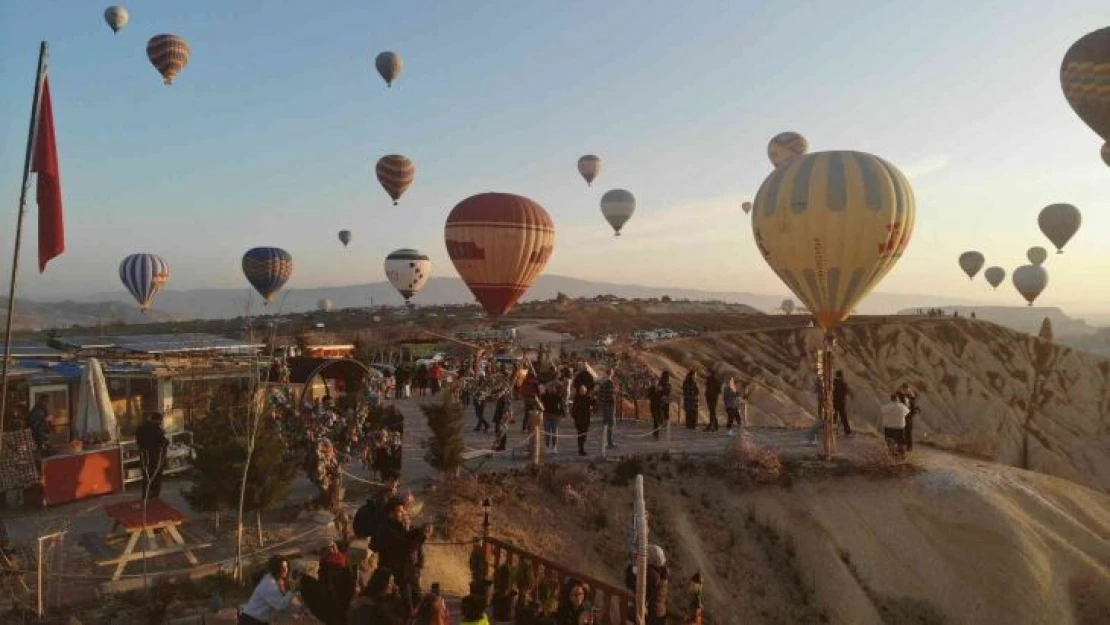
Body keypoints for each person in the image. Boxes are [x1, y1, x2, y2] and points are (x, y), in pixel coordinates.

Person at [376, 496, 433, 613]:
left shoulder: (397, 526)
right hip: (397, 577)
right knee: (406, 608)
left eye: (403, 511)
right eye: (400, 511)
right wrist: (422, 536)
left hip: (407, 574)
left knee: (416, 601)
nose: (403, 513)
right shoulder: (387, 529)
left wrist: (421, 531)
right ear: (391, 512)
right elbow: (406, 547)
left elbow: (407, 538)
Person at [240, 556, 301, 625]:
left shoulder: (276, 580)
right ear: (276, 569)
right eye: (283, 568)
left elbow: (285, 601)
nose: (286, 570)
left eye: (286, 567)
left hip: (258, 620)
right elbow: (281, 606)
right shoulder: (269, 585)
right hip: (252, 620)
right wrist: (292, 591)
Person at [135, 412, 169, 499]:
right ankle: (154, 496)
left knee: (146, 477)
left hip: (145, 457)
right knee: (156, 477)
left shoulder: (141, 429)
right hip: (156, 458)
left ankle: (145, 495)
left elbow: (139, 441)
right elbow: (164, 443)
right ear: (159, 420)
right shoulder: (158, 430)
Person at [540, 383, 566, 454]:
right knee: (547, 432)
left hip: (556, 416)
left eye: (552, 388)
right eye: (549, 388)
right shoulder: (544, 396)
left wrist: (563, 414)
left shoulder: (558, 396)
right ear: (547, 389)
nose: (551, 389)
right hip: (546, 415)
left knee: (555, 432)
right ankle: (547, 447)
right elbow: (539, 404)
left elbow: (562, 406)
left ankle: (554, 447)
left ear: (554, 389)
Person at [571, 385, 594, 457]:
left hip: (586, 419)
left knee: (584, 434)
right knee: (580, 434)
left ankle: (582, 447)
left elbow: (594, 403)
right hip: (579, 419)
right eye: (581, 390)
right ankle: (581, 449)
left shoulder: (588, 398)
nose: (582, 392)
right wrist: (574, 417)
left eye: (584, 390)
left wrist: (594, 397)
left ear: (585, 391)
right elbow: (574, 409)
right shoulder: (576, 398)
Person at [598, 368, 618, 450]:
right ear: (611, 373)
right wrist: (615, 392)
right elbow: (611, 396)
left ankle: (604, 442)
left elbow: (600, 394)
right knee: (611, 424)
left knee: (605, 423)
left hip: (604, 405)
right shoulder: (610, 382)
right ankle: (610, 442)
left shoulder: (602, 383)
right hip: (609, 406)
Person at [896, 383, 920, 451]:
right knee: (901, 431)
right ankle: (901, 446)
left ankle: (909, 447)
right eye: (904, 389)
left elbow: (914, 406)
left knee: (908, 432)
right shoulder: (899, 395)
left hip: (908, 416)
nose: (905, 390)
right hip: (901, 416)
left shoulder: (911, 396)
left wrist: (913, 412)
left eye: (906, 389)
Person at [650, 371, 671, 441]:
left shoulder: (664, 385)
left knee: (658, 421)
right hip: (657, 404)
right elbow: (653, 395)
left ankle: (657, 435)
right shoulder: (663, 385)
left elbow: (666, 394)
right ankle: (657, 435)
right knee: (658, 420)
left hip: (659, 404)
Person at [832, 371, 853, 437]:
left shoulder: (834, 383)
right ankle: (847, 431)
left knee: (834, 418)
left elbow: (831, 391)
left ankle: (834, 432)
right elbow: (847, 391)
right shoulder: (843, 383)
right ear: (841, 375)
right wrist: (852, 395)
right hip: (841, 403)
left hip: (834, 403)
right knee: (843, 417)